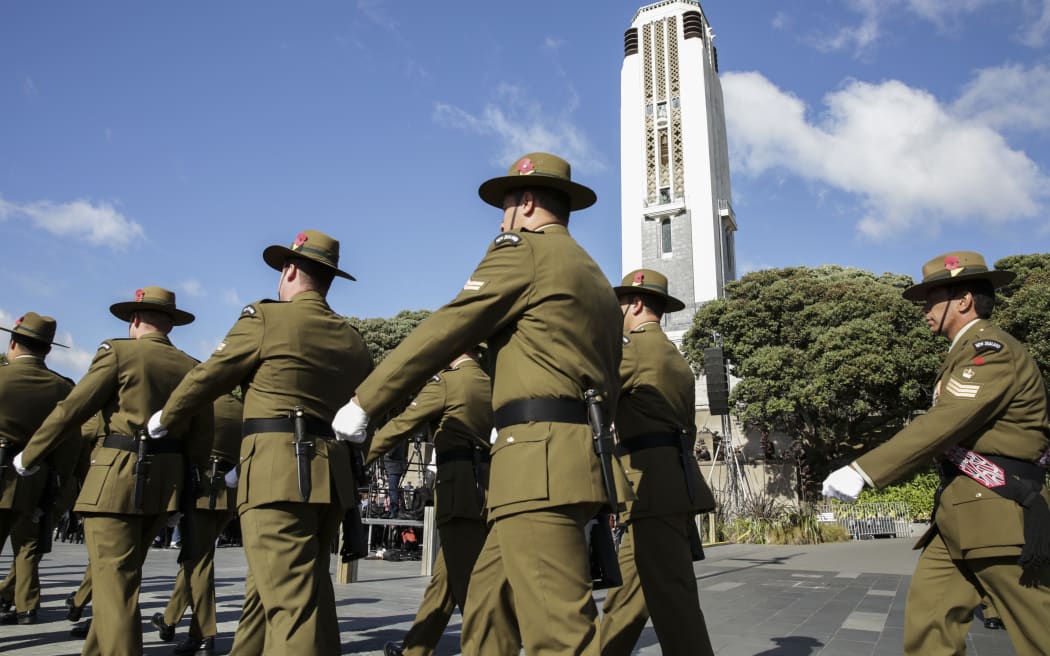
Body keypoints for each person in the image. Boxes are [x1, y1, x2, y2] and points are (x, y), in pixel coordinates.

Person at [334, 152, 624, 655]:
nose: (500, 219)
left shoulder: (523, 251)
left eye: (506, 206)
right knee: (487, 605)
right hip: (571, 458)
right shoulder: (593, 275)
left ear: (526, 203)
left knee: (560, 635)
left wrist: (365, 400)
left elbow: (448, 326)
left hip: (538, 465)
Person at [149, 229, 373, 655]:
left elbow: (209, 375)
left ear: (290, 270)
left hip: (276, 473)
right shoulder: (351, 338)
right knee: (310, 596)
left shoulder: (265, 317)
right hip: (331, 479)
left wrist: (166, 416)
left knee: (292, 611)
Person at [822, 251, 1050, 656]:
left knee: (1040, 632)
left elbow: (946, 421)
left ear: (962, 301)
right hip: (959, 518)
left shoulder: (991, 349)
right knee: (929, 626)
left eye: (931, 299)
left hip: (998, 515)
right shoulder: (963, 355)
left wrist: (863, 470)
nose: (924, 310)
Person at [14, 287, 212, 655]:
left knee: (115, 586)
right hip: (165, 485)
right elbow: (202, 437)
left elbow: (71, 411)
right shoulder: (192, 367)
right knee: (119, 581)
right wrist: (186, 489)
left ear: (134, 319)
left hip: (116, 480)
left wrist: (29, 455)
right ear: (170, 323)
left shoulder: (118, 352)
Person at [599, 269, 716, 656]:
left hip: (650, 485)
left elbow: (596, 395)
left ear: (634, 304)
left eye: (619, 305)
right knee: (627, 597)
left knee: (672, 598)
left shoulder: (633, 350)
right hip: (667, 485)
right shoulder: (672, 355)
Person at [370, 350, 493, 656]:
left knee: (468, 586)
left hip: (456, 488)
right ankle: (415, 650)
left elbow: (403, 424)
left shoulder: (447, 383)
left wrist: (359, 456)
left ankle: (486, 647)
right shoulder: (488, 382)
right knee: (446, 578)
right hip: (484, 487)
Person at [152, 391, 244, 656]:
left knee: (198, 560)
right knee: (195, 556)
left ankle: (203, 634)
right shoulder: (242, 407)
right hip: (229, 491)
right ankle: (169, 620)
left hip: (201, 486)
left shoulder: (204, 403)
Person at [0, 312, 76, 625]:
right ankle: (25, 604)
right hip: (34, 479)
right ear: (47, 350)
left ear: (13, 342)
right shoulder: (62, 388)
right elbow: (70, 444)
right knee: (29, 544)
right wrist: (56, 482)